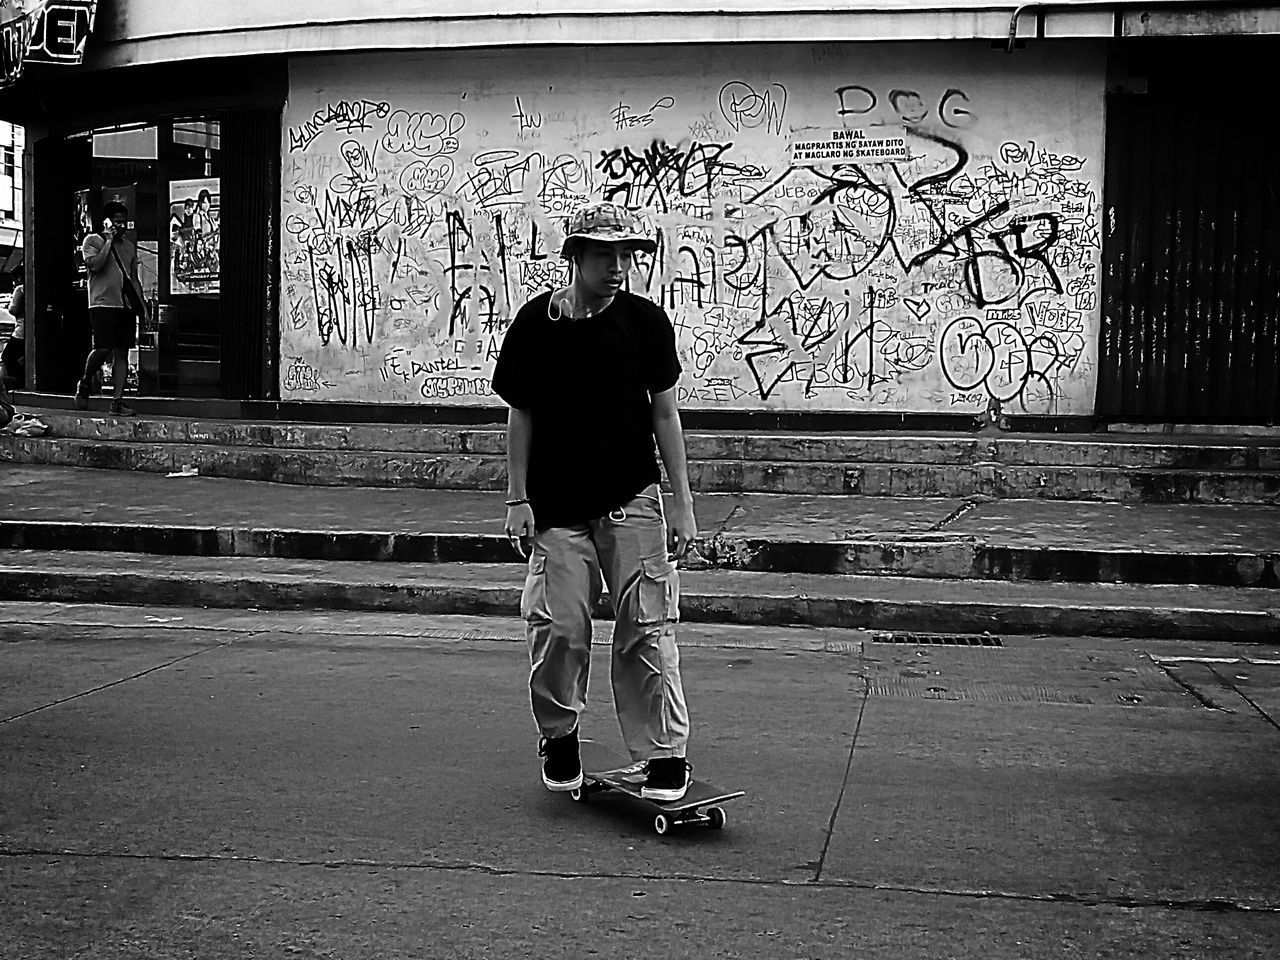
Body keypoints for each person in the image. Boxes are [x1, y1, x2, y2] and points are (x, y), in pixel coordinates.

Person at [491, 202, 698, 802]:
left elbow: (665, 412)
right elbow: (520, 412)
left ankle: (663, 755)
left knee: (648, 629)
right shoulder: (536, 325)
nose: (619, 266)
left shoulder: (645, 323)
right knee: (559, 628)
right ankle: (559, 735)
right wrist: (516, 497)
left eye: (628, 254)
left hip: (630, 500)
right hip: (556, 508)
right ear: (575, 257)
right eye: (605, 254)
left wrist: (680, 502)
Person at [75, 201, 140, 416]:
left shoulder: (130, 247)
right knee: (103, 348)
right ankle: (85, 381)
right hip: (102, 303)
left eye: (124, 222)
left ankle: (117, 401)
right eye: (116, 222)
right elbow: (95, 265)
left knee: (122, 351)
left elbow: (133, 278)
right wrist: (109, 240)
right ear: (106, 222)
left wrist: (143, 307)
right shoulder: (92, 241)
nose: (121, 226)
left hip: (125, 305)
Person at [1, 266, 23, 390]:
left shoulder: (20, 289)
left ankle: (15, 381)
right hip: (30, 332)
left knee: (7, 357)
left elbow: (13, 309)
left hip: (20, 332)